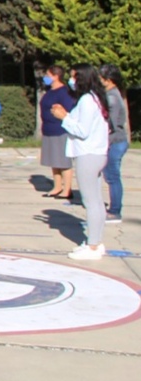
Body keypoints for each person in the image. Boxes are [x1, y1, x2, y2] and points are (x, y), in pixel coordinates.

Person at [51, 64, 110, 260]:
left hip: (88, 154)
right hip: (98, 152)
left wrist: (64, 117)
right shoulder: (96, 98)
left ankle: (93, 246)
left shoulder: (87, 100)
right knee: (96, 200)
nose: (71, 80)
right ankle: (96, 241)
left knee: (90, 201)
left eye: (74, 77)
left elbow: (82, 131)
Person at [40, 65, 77, 200]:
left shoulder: (64, 91)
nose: (46, 78)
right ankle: (57, 187)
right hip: (48, 129)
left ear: (56, 76)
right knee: (53, 160)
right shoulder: (50, 91)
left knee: (63, 161)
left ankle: (67, 189)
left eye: (48, 75)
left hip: (60, 129)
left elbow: (69, 109)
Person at [99, 64, 130, 223]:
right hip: (116, 140)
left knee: (113, 177)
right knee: (111, 176)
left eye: (101, 77)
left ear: (109, 80)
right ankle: (114, 208)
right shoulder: (112, 94)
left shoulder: (111, 97)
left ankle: (115, 210)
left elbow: (109, 123)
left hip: (116, 141)